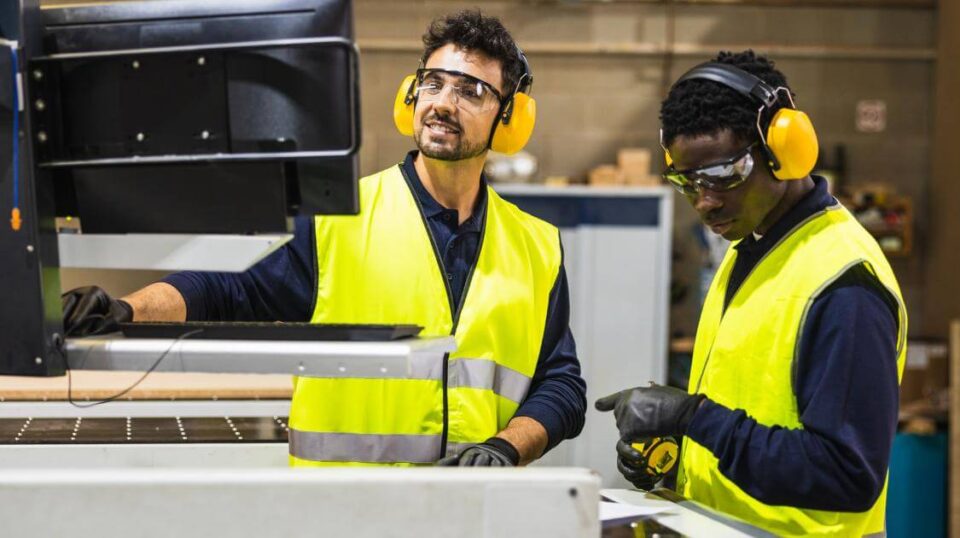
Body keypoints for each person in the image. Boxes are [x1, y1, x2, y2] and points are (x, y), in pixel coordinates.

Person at [63, 10, 586, 469]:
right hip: (343, 514)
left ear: (510, 119)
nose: (443, 103)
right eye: (433, 82)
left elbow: (561, 385)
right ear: (411, 95)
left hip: (475, 515)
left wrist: (505, 447)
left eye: (471, 90)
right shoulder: (339, 218)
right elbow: (223, 288)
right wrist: (123, 311)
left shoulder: (535, 245)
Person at [595, 50, 906, 537]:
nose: (705, 201)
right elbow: (755, 415)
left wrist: (694, 418)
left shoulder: (844, 284)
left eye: (723, 176)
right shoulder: (750, 251)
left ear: (785, 149)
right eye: (687, 181)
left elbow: (847, 476)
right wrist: (677, 462)